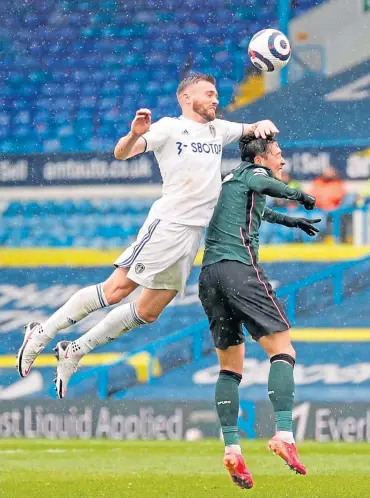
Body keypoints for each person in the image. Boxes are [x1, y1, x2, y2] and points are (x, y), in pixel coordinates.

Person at [16, 73, 279, 399]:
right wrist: (133, 134)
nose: (215, 99)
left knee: (149, 311)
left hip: (192, 235)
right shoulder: (169, 127)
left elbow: (251, 127)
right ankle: (41, 332)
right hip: (168, 225)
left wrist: (262, 123)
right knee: (116, 290)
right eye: (209, 94)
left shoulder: (218, 129)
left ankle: (75, 350)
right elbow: (122, 154)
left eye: (216, 94)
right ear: (186, 98)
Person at [198, 134, 320, 490]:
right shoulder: (252, 172)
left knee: (230, 367)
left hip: (209, 276)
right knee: (283, 348)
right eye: (279, 154)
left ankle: (232, 446)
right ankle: (284, 434)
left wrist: (292, 221)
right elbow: (266, 183)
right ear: (262, 157)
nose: (282, 161)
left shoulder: (231, 182)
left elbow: (260, 208)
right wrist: (301, 196)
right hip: (239, 269)